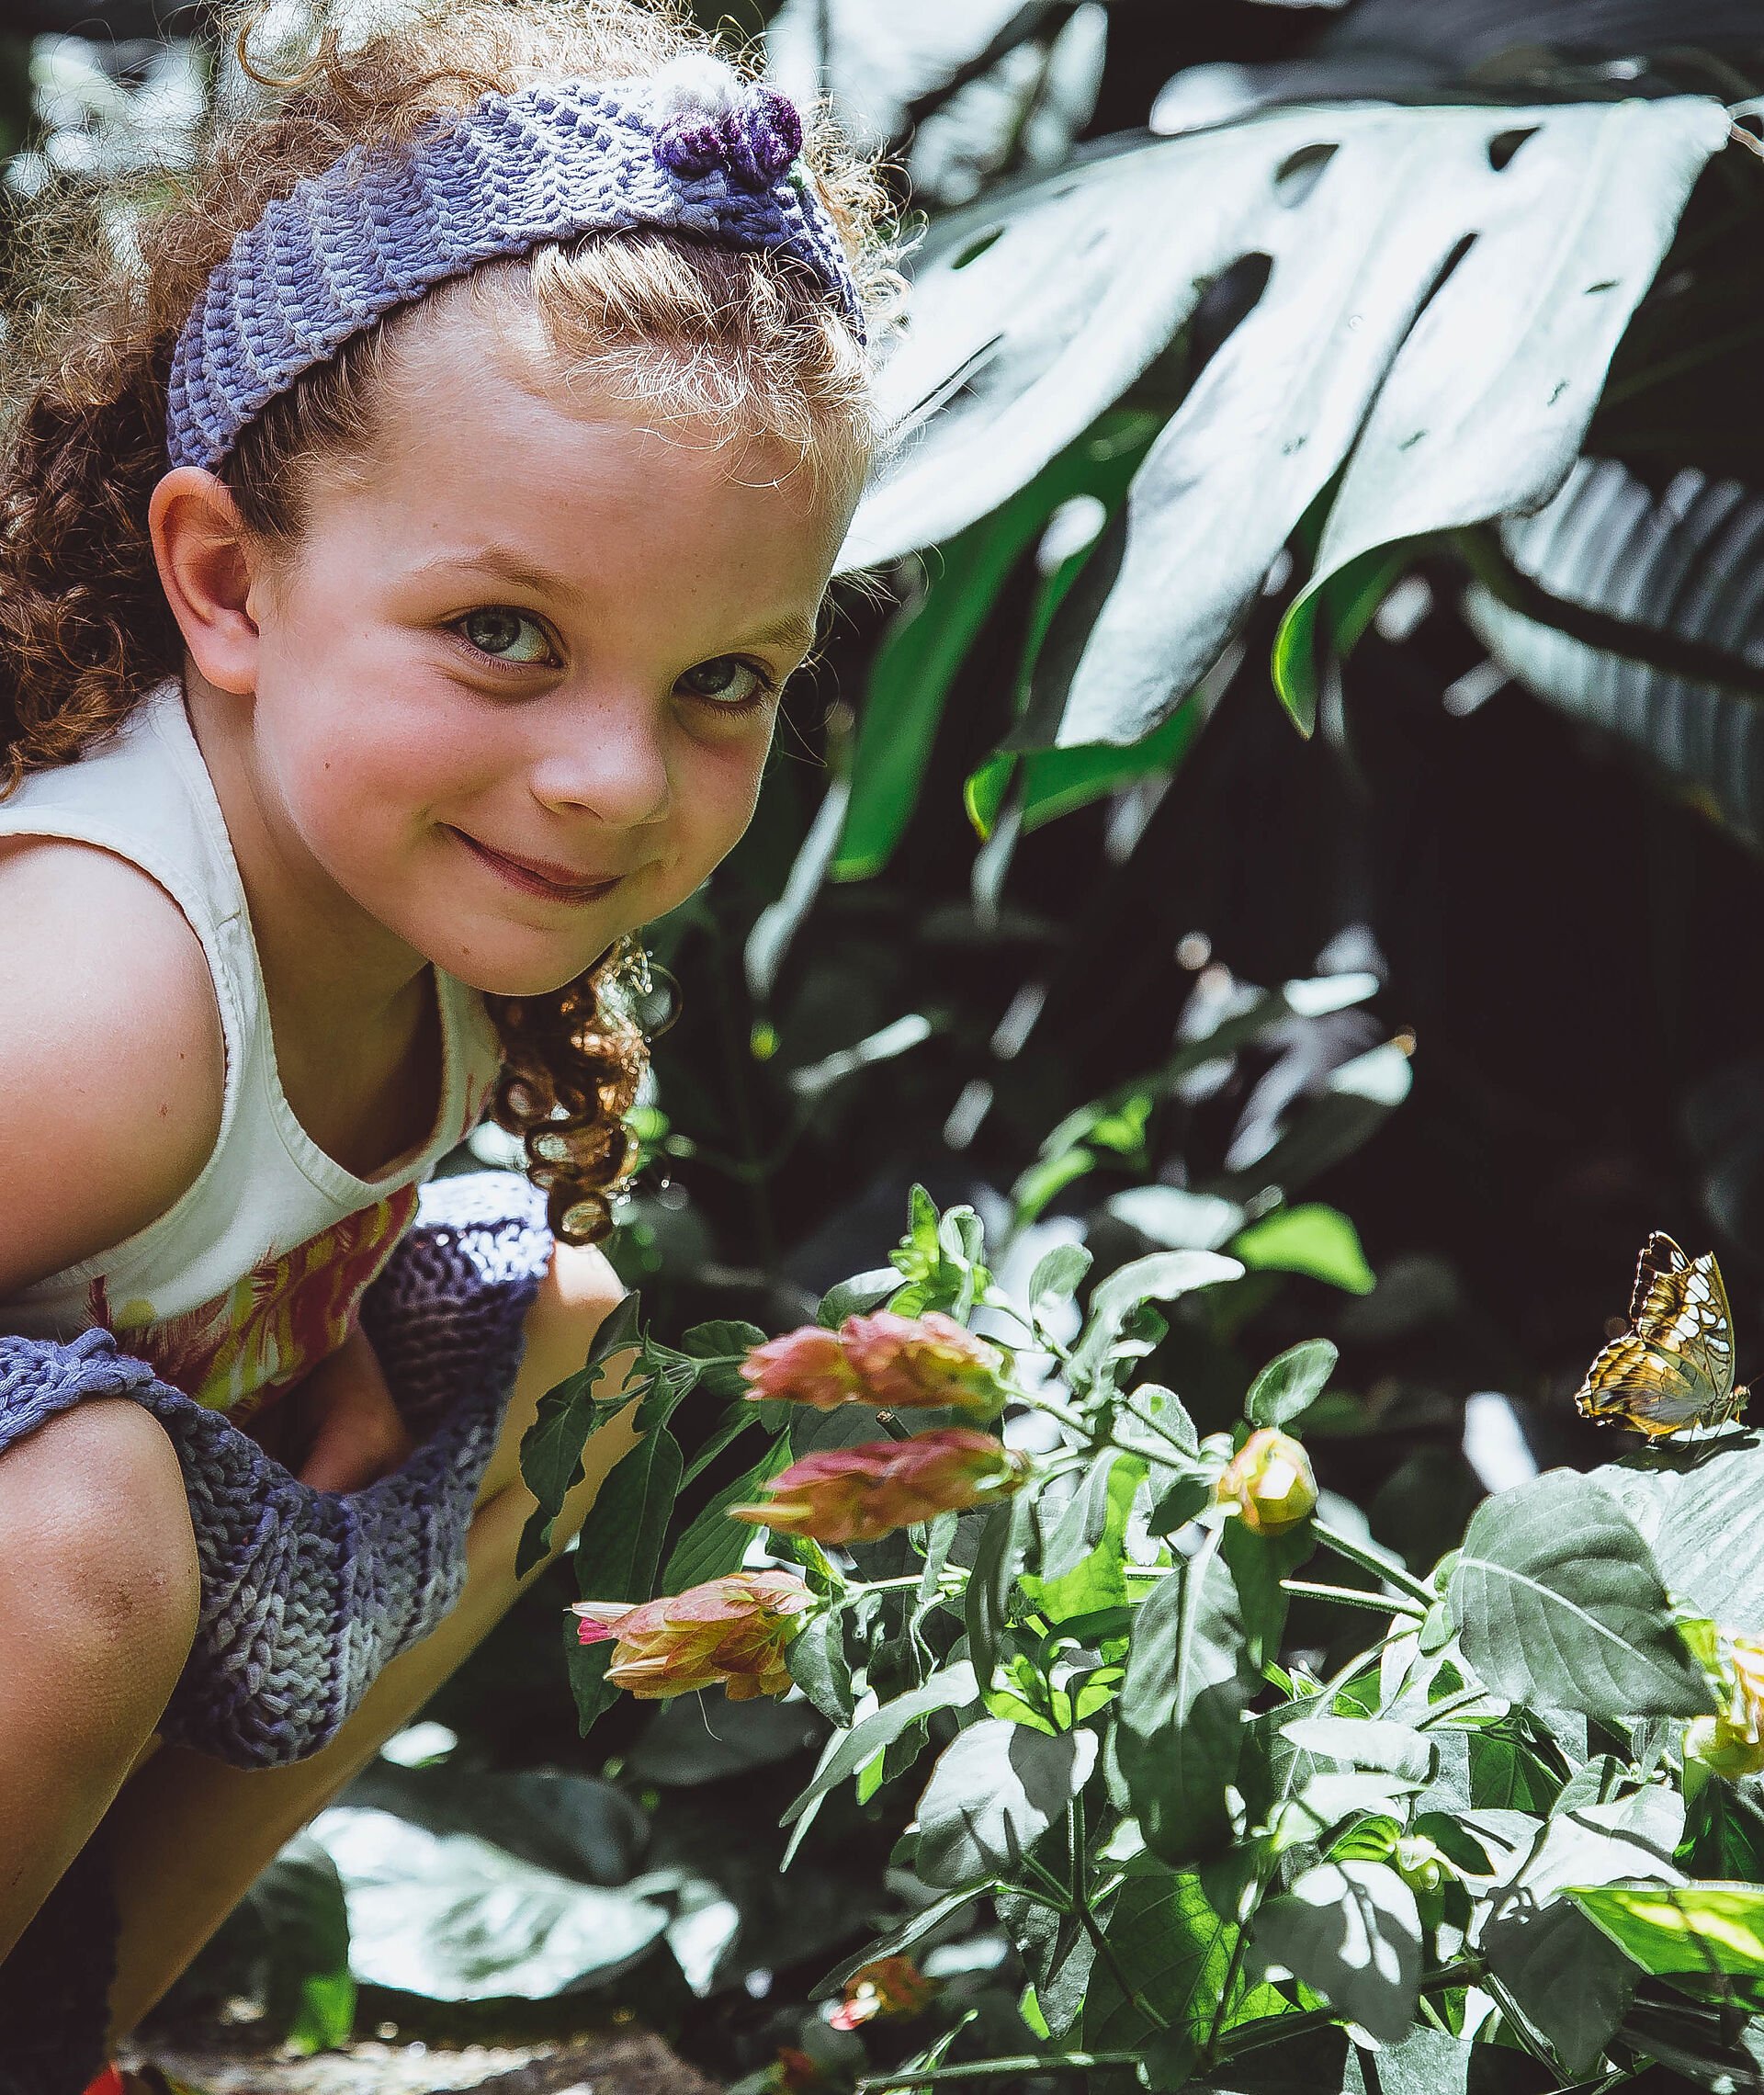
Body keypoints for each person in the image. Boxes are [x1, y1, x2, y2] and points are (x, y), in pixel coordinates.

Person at [0, 0, 890, 2080]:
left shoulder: (416, 904)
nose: (609, 778)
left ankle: (67, 2033)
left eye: (723, 682)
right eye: (508, 635)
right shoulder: (102, 1005)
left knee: (549, 1349)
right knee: (92, 1526)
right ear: (227, 584)